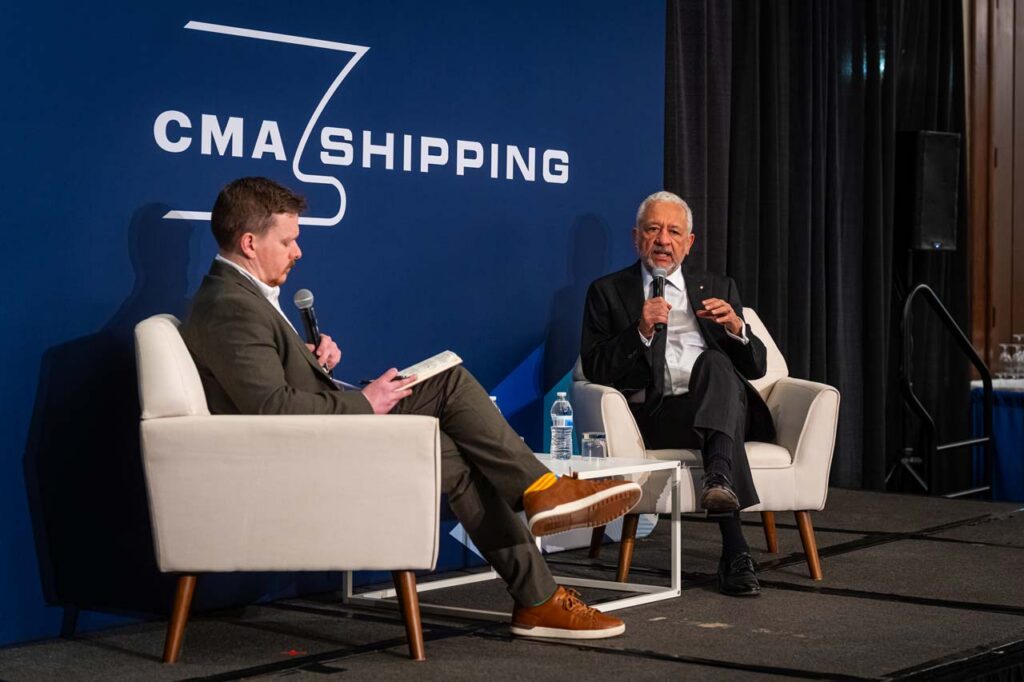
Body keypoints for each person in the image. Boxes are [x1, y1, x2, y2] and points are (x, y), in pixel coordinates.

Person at [180, 177, 642, 638]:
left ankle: (538, 592)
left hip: (322, 436)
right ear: (248, 243)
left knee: (454, 449)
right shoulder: (229, 305)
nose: (297, 251)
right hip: (308, 455)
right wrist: (366, 402)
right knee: (448, 382)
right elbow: (270, 409)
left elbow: (267, 382)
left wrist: (306, 354)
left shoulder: (238, 297)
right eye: (288, 240)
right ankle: (541, 495)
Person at [580, 190, 775, 597]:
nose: (663, 240)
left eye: (673, 231)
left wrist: (738, 331)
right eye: (653, 229)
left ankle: (722, 491)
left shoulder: (718, 287)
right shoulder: (608, 291)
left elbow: (757, 367)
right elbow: (595, 368)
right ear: (636, 238)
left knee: (717, 364)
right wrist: (640, 331)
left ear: (690, 242)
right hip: (657, 416)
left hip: (714, 403)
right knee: (721, 423)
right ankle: (734, 547)